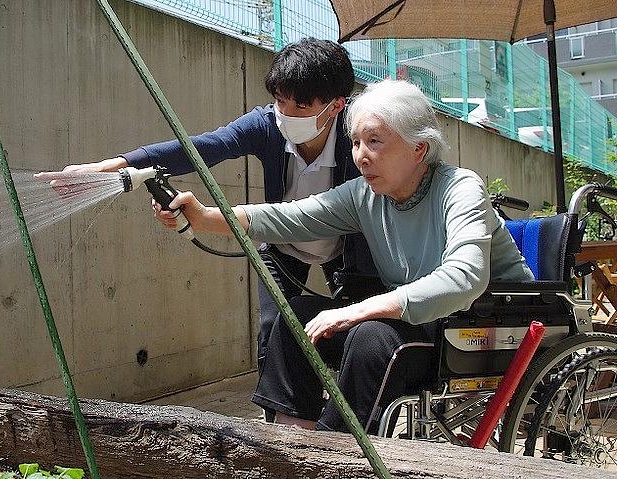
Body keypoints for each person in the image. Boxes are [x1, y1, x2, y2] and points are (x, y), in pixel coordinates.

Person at [152, 79, 535, 433]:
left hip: (484, 323)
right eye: (355, 142)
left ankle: (337, 448)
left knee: (371, 336)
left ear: (419, 148)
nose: (361, 156)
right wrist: (204, 217)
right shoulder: (363, 195)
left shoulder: (460, 187)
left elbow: (465, 278)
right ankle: (292, 437)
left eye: (375, 142)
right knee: (295, 317)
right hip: (420, 320)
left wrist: (358, 309)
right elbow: (288, 217)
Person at [35, 38, 383, 419]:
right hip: (280, 246)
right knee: (275, 330)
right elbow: (204, 146)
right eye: (280, 100)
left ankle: (349, 432)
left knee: (356, 333)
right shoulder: (267, 125)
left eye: (301, 105)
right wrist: (107, 168)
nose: (286, 113)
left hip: (347, 250)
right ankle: (287, 433)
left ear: (337, 105)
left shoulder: (360, 138)